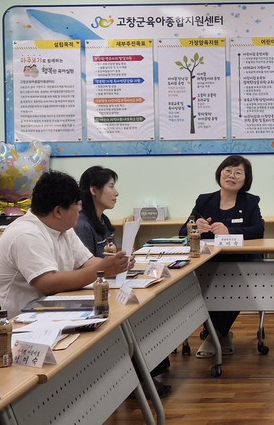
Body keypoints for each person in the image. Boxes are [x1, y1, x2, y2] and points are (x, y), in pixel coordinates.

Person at [74, 166, 172, 398]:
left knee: (146, 307)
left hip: (110, 283)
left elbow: (107, 259)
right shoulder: (82, 225)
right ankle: (136, 379)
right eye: (111, 186)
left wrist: (124, 261)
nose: (116, 192)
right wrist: (112, 266)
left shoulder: (103, 220)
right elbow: (86, 267)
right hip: (93, 291)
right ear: (94, 190)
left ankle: (148, 370)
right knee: (132, 317)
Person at [0, 170, 129, 318]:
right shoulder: (26, 233)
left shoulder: (63, 228)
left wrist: (117, 264)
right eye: (76, 204)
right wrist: (101, 270)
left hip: (43, 311)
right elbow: (48, 284)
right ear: (58, 211)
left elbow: (86, 262)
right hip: (12, 322)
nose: (80, 209)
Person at [178, 155, 264, 358]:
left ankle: (214, 335)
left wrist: (229, 231)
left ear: (246, 179)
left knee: (235, 284)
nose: (231, 176)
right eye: (228, 170)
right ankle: (222, 334)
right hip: (207, 262)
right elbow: (182, 232)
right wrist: (194, 227)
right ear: (220, 173)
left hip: (238, 262)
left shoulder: (250, 202)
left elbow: (258, 230)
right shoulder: (204, 200)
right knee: (206, 284)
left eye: (238, 172)